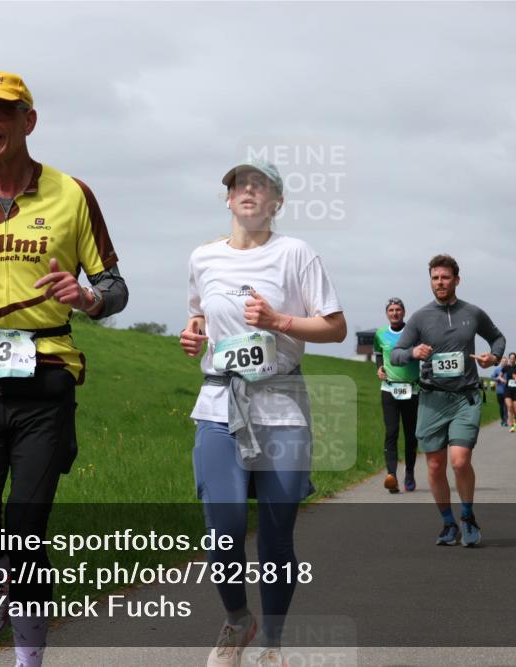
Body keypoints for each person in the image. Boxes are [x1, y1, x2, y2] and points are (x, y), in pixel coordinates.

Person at [0, 70, 128, 667]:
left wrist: (88, 299)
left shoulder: (72, 194)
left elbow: (113, 284)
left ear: (27, 122)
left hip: (47, 376)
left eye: (1, 112)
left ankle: (28, 658)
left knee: (27, 529)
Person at [179, 159, 346, 667]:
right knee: (223, 527)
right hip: (218, 402)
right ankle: (237, 619)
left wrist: (280, 320)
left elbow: (335, 328)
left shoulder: (296, 253)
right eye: (239, 185)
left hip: (281, 405)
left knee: (275, 533)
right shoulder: (203, 257)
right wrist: (191, 335)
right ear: (227, 198)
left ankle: (272, 646)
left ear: (276, 203)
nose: (249, 192)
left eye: (262, 186)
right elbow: (198, 315)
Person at [391, 255, 505, 548]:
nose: (440, 283)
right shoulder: (419, 317)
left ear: (457, 279)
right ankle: (448, 523)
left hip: (465, 397)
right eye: (435, 278)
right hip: (431, 399)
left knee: (460, 460)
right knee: (434, 466)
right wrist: (414, 353)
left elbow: (497, 338)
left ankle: (467, 516)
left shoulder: (473, 313)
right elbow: (397, 354)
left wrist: (493, 357)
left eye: (445, 277)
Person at [374, 297, 420, 493]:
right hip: (389, 389)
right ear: (387, 313)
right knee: (391, 432)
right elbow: (378, 354)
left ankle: (409, 473)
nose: (395, 313)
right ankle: (391, 475)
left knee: (410, 434)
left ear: (404, 312)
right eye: (391, 310)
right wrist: (379, 369)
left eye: (398, 310)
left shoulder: (413, 332)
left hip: (412, 389)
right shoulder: (380, 334)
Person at [502, 352, 516, 432]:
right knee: (509, 406)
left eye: (513, 358)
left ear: (515, 359)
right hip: (508, 389)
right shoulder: (506, 367)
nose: (512, 360)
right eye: (511, 358)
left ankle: (515, 419)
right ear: (509, 359)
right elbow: (500, 375)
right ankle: (512, 425)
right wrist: (502, 379)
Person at [491, 356, 509, 427]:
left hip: (507, 391)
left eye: (506, 362)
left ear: (507, 362)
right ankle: (502, 419)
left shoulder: (509, 369)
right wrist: (498, 378)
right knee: (501, 407)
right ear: (501, 362)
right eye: (503, 361)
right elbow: (492, 377)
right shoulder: (497, 370)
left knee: (506, 406)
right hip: (499, 391)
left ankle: (505, 420)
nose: (504, 363)